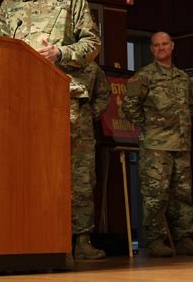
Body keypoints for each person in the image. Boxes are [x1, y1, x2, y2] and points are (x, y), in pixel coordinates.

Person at [0, 0, 103, 259]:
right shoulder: (11, 4)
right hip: (24, 101)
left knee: (77, 170)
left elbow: (92, 44)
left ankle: (81, 240)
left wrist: (60, 52)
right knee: (27, 169)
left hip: (66, 95)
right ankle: (31, 235)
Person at [122, 31, 193, 257]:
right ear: (151, 50)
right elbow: (129, 107)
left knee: (183, 194)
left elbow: (189, 106)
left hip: (181, 145)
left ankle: (184, 238)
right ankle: (155, 240)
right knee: (156, 195)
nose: (161, 48)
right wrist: (151, 126)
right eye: (156, 45)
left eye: (165, 44)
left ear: (172, 46)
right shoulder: (144, 76)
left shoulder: (183, 78)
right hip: (156, 147)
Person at [73, 61, 111, 259]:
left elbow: (104, 95)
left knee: (84, 184)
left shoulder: (91, 68)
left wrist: (89, 113)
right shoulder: (48, 59)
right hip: (50, 129)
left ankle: (82, 241)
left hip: (83, 134)